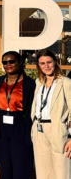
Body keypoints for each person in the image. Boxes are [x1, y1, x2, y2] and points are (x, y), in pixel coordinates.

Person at [0, 51, 35, 179]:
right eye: (5, 62)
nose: (8, 64)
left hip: (21, 128)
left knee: (21, 168)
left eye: (12, 61)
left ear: (20, 62)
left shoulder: (30, 83)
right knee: (4, 168)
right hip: (1, 129)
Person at [31, 49, 71, 179]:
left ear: (55, 62)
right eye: (42, 63)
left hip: (58, 130)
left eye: (49, 62)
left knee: (61, 172)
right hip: (39, 130)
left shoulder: (65, 82)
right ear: (38, 65)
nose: (46, 66)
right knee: (42, 173)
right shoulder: (38, 82)